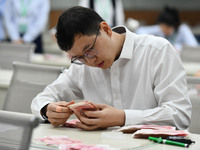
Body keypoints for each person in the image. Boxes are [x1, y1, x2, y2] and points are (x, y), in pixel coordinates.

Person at [31, 6, 191, 131]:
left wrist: (122, 118)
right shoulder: (81, 66)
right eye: (79, 57)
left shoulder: (157, 51)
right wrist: (47, 109)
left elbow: (179, 115)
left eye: (89, 50)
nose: (90, 60)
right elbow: (43, 97)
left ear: (106, 29)